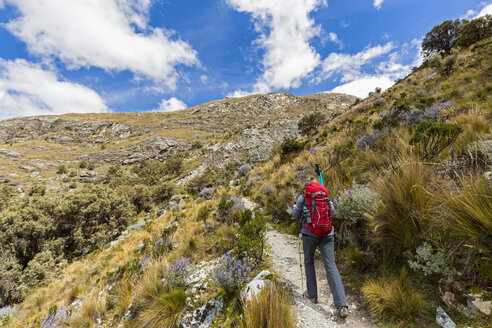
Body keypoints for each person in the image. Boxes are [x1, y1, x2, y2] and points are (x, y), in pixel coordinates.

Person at [292, 177, 349, 318]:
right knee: (330, 264)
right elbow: (333, 214)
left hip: (309, 235)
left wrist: (294, 207)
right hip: (328, 233)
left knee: (309, 261)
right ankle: (341, 305)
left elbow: (296, 216)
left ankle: (312, 295)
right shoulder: (325, 197)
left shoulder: (303, 197)